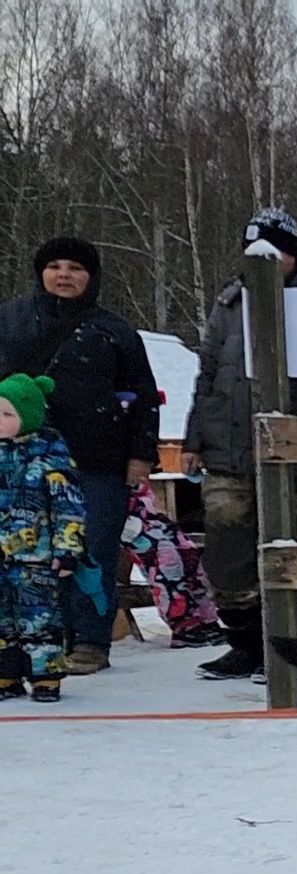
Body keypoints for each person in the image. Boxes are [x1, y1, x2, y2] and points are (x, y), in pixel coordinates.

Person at [182, 208, 297, 681]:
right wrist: (195, 436)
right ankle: (245, 643)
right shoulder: (228, 304)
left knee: (294, 555)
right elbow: (208, 375)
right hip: (228, 450)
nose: (263, 260)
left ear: (291, 256)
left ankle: (289, 652)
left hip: (296, 453)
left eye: (275, 252)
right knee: (228, 556)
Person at [0, 237, 160, 676]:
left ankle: (89, 641)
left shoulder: (114, 330)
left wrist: (141, 455)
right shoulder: (10, 321)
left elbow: (144, 396)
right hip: (19, 465)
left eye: (75, 267)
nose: (64, 275)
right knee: (21, 555)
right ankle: (23, 643)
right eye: (54, 265)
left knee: (92, 551)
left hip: (98, 461)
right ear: (40, 272)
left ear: (91, 277)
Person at [0, 374, 87, 702]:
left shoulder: (50, 457)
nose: (0, 422)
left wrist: (68, 548)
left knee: (39, 617)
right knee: (2, 620)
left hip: (36, 556)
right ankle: (6, 673)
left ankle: (45, 675)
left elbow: (69, 506)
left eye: (8, 415)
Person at [121, 480, 223, 649]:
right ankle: (183, 624)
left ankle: (206, 619)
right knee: (166, 558)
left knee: (187, 551)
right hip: (114, 506)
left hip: (141, 505)